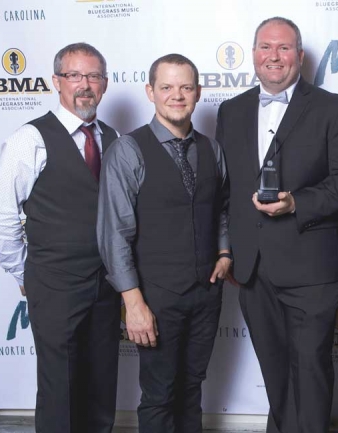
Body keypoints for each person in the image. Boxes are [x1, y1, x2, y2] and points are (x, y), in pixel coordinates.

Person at [215, 16, 338, 433]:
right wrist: (228, 249)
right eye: (266, 47)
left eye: (284, 48)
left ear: (300, 56)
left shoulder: (332, 107)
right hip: (252, 269)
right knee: (275, 370)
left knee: (311, 369)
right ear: (253, 54)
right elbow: (225, 189)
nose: (274, 56)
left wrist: (297, 203)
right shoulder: (231, 110)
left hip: (310, 268)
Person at [97, 53, 230, 433]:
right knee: (158, 394)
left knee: (192, 387)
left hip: (206, 294)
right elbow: (114, 232)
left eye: (186, 87)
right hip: (154, 295)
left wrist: (223, 251)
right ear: (150, 92)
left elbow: (220, 208)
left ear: (198, 93)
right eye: (167, 87)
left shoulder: (212, 149)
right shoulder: (128, 150)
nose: (177, 95)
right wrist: (133, 302)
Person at [0, 43, 119, 433]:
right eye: (75, 76)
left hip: (107, 285)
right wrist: (26, 274)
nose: (85, 85)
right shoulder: (28, 139)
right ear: (56, 82)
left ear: (105, 83)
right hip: (55, 284)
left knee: (101, 386)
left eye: (93, 76)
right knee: (59, 388)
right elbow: (2, 219)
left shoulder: (114, 138)